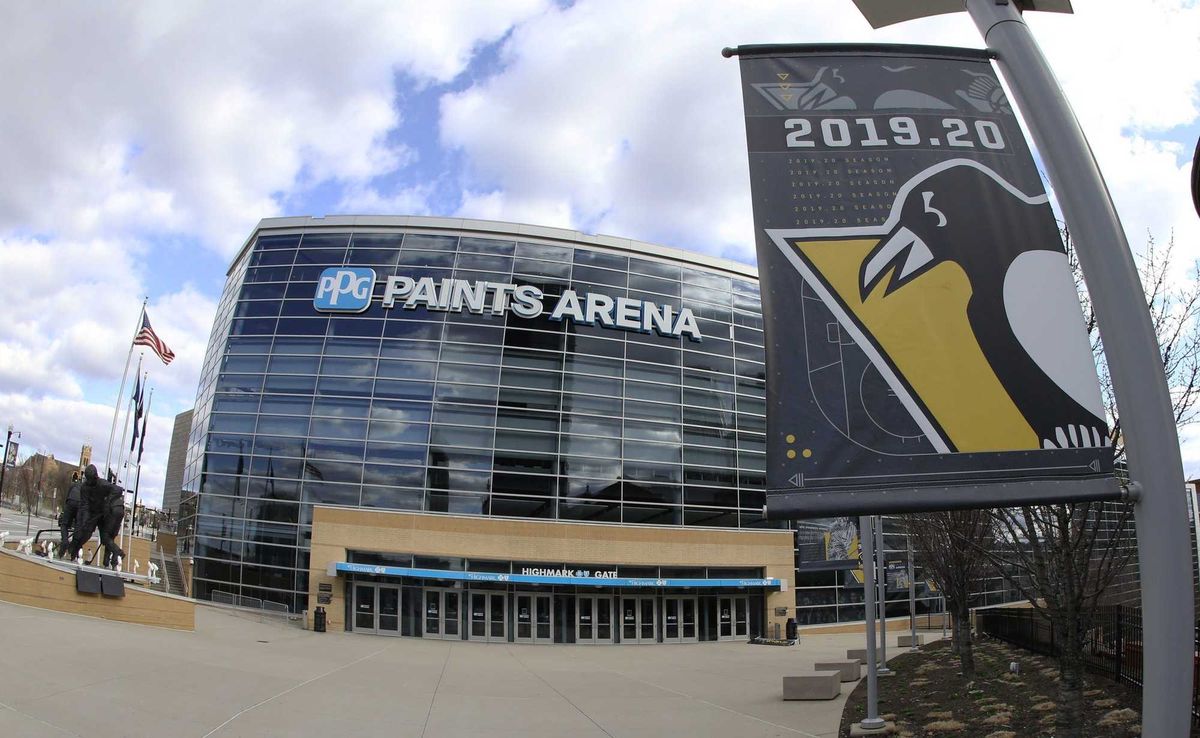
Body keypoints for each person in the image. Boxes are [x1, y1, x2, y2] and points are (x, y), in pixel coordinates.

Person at [65, 464, 113, 562]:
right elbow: (85, 504)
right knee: (86, 533)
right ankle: (73, 550)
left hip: (103, 514)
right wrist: (86, 518)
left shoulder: (103, 484)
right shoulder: (85, 487)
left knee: (106, 536)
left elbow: (114, 492)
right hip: (93, 514)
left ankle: (108, 560)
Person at [99, 484, 126, 568]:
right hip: (118, 517)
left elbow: (106, 510)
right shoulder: (119, 500)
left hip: (113, 515)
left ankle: (118, 552)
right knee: (110, 539)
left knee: (105, 537)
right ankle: (108, 562)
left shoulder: (109, 497)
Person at [58, 471, 83, 556]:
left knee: (64, 524)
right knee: (77, 526)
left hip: (70, 501)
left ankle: (64, 541)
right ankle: (72, 547)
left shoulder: (73, 485)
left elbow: (67, 498)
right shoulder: (86, 488)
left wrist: (65, 511)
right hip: (80, 504)